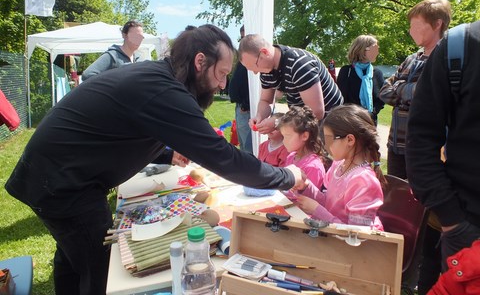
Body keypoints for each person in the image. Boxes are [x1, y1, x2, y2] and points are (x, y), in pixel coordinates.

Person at [4, 24, 306, 295]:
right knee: (100, 270)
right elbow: (223, 158)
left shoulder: (156, 77)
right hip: (62, 182)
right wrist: (287, 176)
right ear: (200, 61)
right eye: (222, 73)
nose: (223, 85)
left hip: (55, 173)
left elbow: (124, 127)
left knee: (73, 256)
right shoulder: (164, 89)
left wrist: (166, 152)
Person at [406, 20, 480, 275]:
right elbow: (421, 136)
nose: (409, 30)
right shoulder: (459, 46)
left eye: (413, 25)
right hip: (469, 226)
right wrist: (452, 218)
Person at [379, 0, 451, 179]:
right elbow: (384, 91)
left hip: (425, 148)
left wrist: (401, 88)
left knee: (421, 200)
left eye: (416, 26)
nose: (410, 31)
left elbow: (430, 96)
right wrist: (411, 92)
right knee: (397, 195)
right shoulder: (411, 59)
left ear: (437, 24)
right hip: (396, 144)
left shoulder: (446, 59)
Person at [293, 104, 385, 230]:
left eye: (329, 140)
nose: (326, 147)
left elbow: (358, 234)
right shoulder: (338, 166)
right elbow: (330, 203)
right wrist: (306, 186)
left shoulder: (363, 181)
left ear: (350, 140)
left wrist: (317, 210)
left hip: (353, 247)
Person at [238, 34, 343, 134]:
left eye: (255, 66)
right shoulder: (266, 70)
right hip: (306, 122)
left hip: (331, 123)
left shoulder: (299, 64)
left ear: (264, 53)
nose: (256, 72)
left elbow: (316, 113)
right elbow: (265, 100)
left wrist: (278, 122)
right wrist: (260, 116)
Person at [337, 35, 385, 125]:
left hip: (370, 123)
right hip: (350, 122)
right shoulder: (346, 71)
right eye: (374, 49)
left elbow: (381, 99)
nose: (377, 52)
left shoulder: (377, 73)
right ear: (362, 50)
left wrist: (371, 113)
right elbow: (341, 99)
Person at [277, 106, 325, 189]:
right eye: (283, 136)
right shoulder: (291, 156)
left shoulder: (313, 167)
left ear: (305, 136)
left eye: (288, 136)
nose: (284, 141)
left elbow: (310, 198)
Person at [228, 25, 252, 153]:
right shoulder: (244, 56)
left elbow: (255, 83)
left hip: (246, 108)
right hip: (240, 106)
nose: (242, 42)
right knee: (243, 145)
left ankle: (249, 171)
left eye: (245, 38)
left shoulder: (253, 58)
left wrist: (245, 105)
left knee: (248, 146)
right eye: (241, 38)